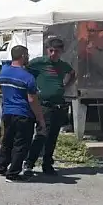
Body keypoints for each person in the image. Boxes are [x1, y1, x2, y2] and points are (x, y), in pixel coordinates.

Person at [23, 37, 76, 176]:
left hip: (58, 105)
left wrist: (66, 85)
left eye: (57, 51)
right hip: (43, 105)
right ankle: (29, 163)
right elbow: (25, 70)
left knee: (53, 136)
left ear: (61, 52)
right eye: (51, 51)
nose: (53, 54)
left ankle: (47, 164)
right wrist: (32, 87)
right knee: (42, 134)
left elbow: (72, 73)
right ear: (47, 50)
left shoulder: (63, 65)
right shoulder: (39, 62)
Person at [0, 45, 46, 183]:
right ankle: (13, 174)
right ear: (23, 56)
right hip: (23, 114)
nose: (28, 57)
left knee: (7, 141)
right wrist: (40, 119)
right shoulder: (28, 77)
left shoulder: (3, 72)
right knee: (21, 144)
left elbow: (1, 88)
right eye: (27, 54)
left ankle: (1, 167)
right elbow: (32, 100)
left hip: (7, 112)